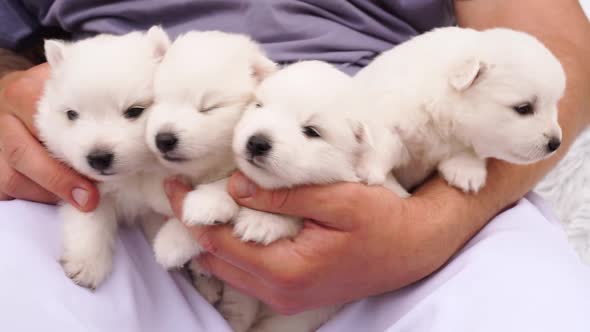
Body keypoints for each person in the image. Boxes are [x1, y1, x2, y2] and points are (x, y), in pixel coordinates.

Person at [1, 1, 589, 331]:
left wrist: (431, 226)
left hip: (403, 182)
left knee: (534, 318)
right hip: (121, 177)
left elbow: (557, 52)